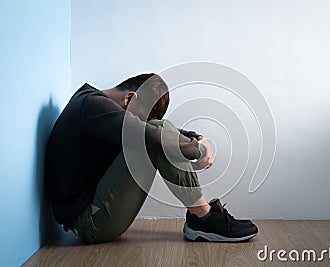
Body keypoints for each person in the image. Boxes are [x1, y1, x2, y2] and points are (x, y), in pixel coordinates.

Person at [45, 73, 258, 243]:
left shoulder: (93, 105)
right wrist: (198, 151)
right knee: (158, 134)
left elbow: (155, 132)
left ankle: (202, 217)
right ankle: (203, 217)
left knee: (160, 133)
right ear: (129, 98)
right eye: (138, 119)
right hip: (90, 221)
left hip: (95, 211)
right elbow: (153, 134)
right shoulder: (91, 106)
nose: (137, 123)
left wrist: (200, 139)